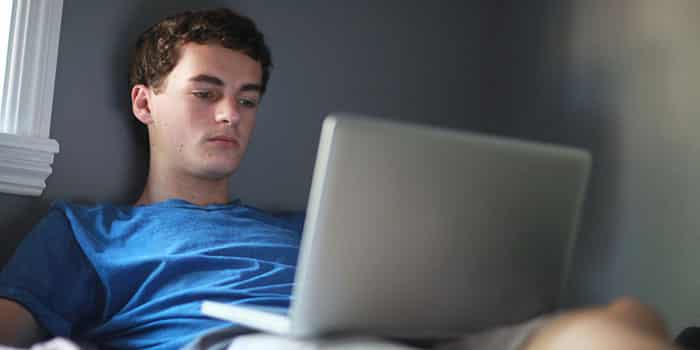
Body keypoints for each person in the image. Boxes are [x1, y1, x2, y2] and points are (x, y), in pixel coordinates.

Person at [0, 7, 682, 350]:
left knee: (623, 321)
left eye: (248, 97)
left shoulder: (319, 225)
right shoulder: (88, 231)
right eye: (206, 92)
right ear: (145, 102)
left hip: (406, 336)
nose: (231, 114)